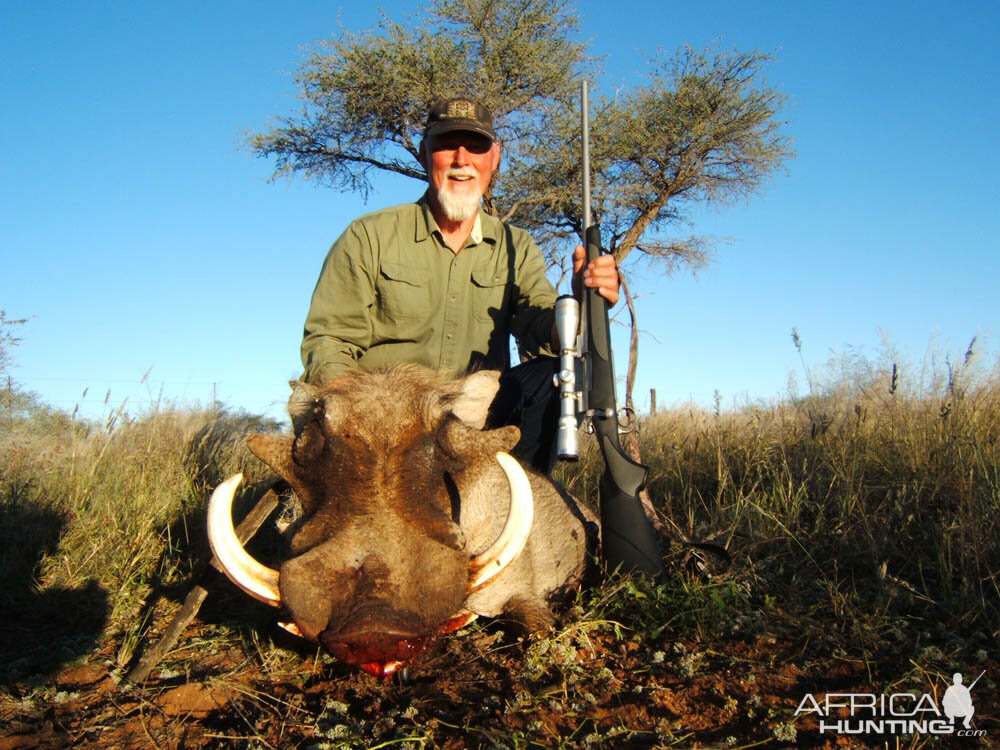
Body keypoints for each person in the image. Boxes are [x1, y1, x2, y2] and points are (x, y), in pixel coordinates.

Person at [300, 97, 620, 471]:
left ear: (494, 158)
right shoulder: (368, 235)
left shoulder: (516, 245)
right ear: (424, 154)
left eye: (477, 146)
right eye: (447, 144)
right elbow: (330, 340)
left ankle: (519, 497)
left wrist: (581, 306)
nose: (462, 159)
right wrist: (356, 414)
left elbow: (541, 326)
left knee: (554, 378)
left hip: (476, 415)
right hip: (382, 417)